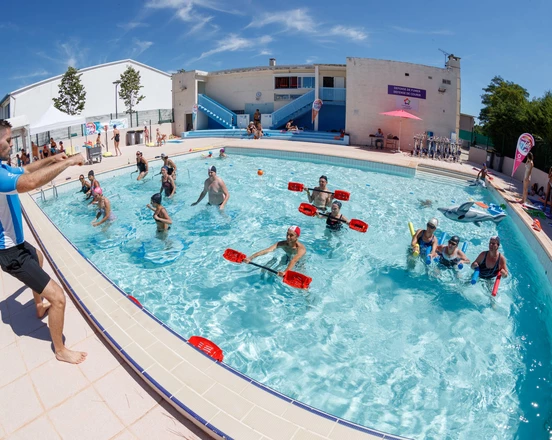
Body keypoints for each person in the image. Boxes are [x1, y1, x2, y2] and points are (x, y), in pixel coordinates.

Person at [0, 119, 87, 364]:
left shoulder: (3, 167)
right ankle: (60, 350)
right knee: (58, 298)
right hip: (9, 252)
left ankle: (38, 307)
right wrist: (69, 162)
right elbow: (29, 183)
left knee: (37, 256)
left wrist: (53, 158)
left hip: (16, 245)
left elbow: (27, 170)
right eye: (7, 139)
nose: (11, 143)